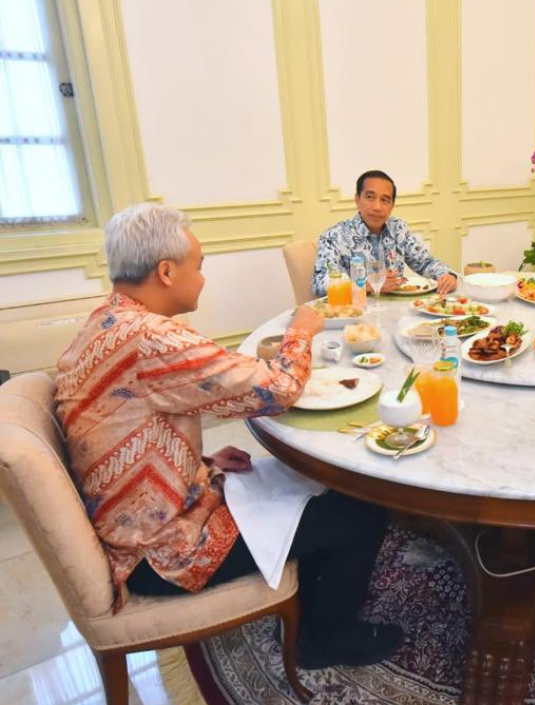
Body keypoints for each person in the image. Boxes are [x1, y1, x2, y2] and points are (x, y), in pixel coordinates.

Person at [55, 203, 402, 668]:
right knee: (360, 510)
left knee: (305, 485)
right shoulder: (150, 338)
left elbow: (126, 426)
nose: (202, 278)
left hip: (137, 519)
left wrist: (203, 464)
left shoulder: (107, 320)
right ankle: (323, 639)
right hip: (162, 552)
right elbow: (276, 389)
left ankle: (314, 596)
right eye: (198, 267)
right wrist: (301, 331)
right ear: (165, 271)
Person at [311, 169, 457, 296]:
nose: (377, 207)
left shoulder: (398, 229)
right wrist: (366, 285)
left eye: (385, 200)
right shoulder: (334, 236)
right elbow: (319, 284)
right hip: (355, 317)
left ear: (392, 205)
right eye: (370, 197)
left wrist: (447, 276)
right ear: (357, 199)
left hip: (396, 314)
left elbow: (425, 263)